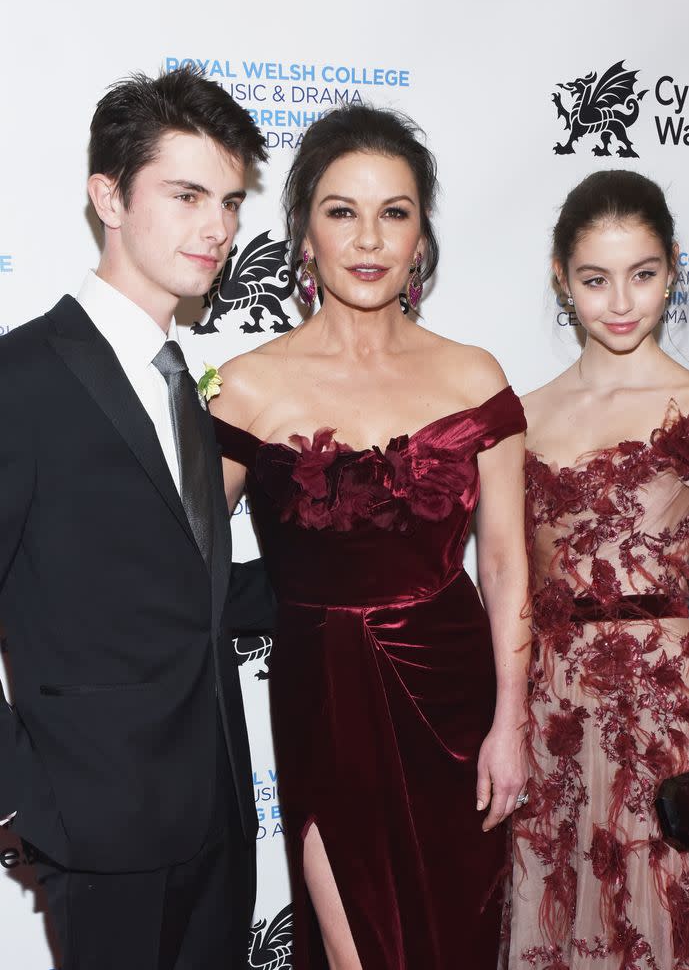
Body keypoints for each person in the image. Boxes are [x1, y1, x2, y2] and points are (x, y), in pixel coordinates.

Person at [210, 104, 530, 970]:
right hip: (323, 702)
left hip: (457, 706)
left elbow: (503, 566)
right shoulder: (248, 386)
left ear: (420, 237)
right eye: (341, 210)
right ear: (303, 235)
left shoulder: (473, 374)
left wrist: (511, 720)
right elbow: (177, 561)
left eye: (394, 211)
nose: (369, 237)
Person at [0, 67, 275, 970]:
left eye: (230, 201)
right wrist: (17, 797)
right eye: (187, 194)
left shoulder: (187, 384)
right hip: (96, 825)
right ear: (108, 196)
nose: (218, 228)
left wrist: (361, 572)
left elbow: (180, 588)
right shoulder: (22, 378)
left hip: (221, 816)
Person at [506, 170, 689, 969]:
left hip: (669, 711)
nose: (620, 301)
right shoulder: (518, 414)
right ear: (560, 276)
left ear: (672, 269)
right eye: (594, 278)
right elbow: (508, 581)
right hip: (555, 710)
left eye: (642, 274)